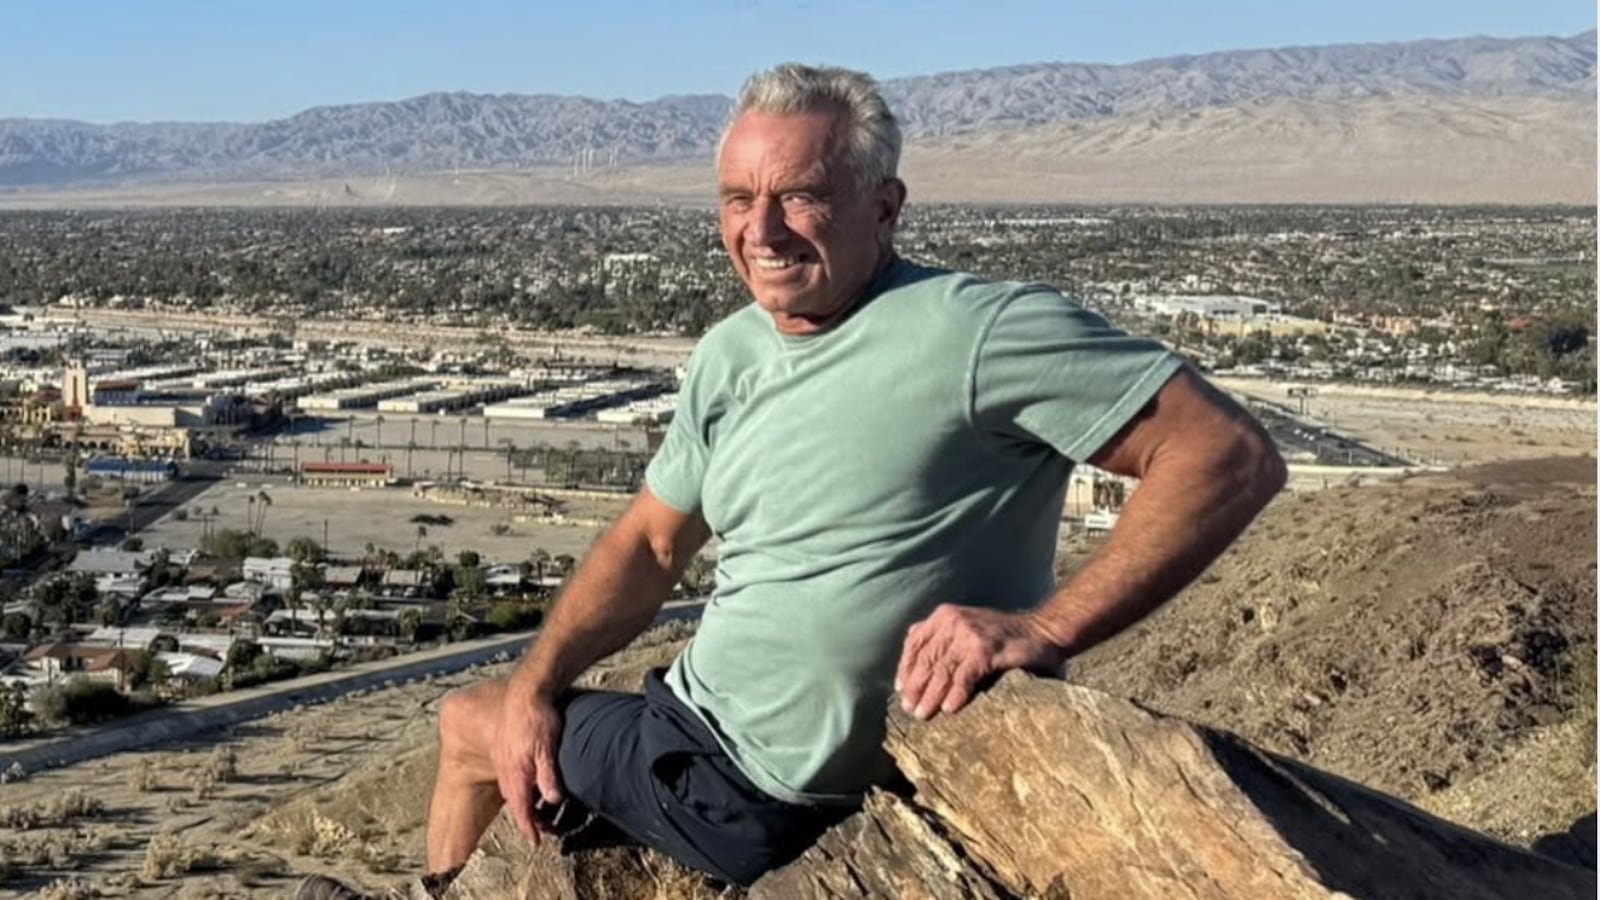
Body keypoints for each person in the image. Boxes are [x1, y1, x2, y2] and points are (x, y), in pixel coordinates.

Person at [301, 61, 1285, 898]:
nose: (761, 230)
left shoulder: (978, 330)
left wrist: (1046, 628)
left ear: (885, 204)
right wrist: (541, 682)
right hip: (696, 723)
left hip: (752, 783)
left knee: (466, 728)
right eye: (738, 200)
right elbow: (649, 544)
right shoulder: (733, 352)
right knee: (520, 707)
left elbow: (1226, 455)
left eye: (799, 196)